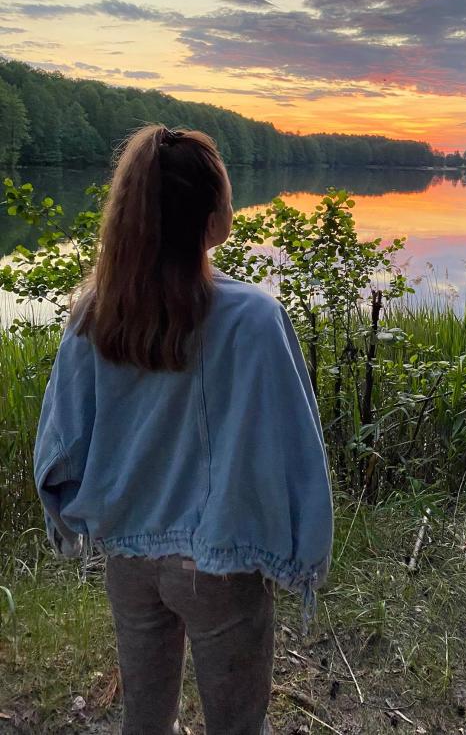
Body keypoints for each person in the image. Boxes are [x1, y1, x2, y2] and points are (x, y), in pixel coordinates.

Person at [33, 125, 334, 735]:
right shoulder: (255, 318)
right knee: (237, 726)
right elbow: (299, 449)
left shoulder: (96, 311)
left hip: (128, 556)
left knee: (145, 724)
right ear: (215, 217)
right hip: (220, 563)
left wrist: (66, 514)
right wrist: (306, 550)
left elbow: (60, 442)